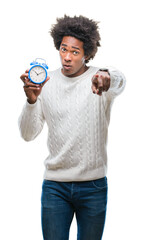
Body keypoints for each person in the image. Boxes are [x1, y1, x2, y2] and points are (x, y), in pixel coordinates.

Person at [19, 15, 126, 240]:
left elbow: (120, 81)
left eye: (75, 52)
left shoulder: (99, 79)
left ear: (87, 54)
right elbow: (28, 135)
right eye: (63, 49)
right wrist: (31, 102)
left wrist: (108, 75)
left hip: (94, 187)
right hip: (55, 188)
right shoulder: (45, 82)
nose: (67, 57)